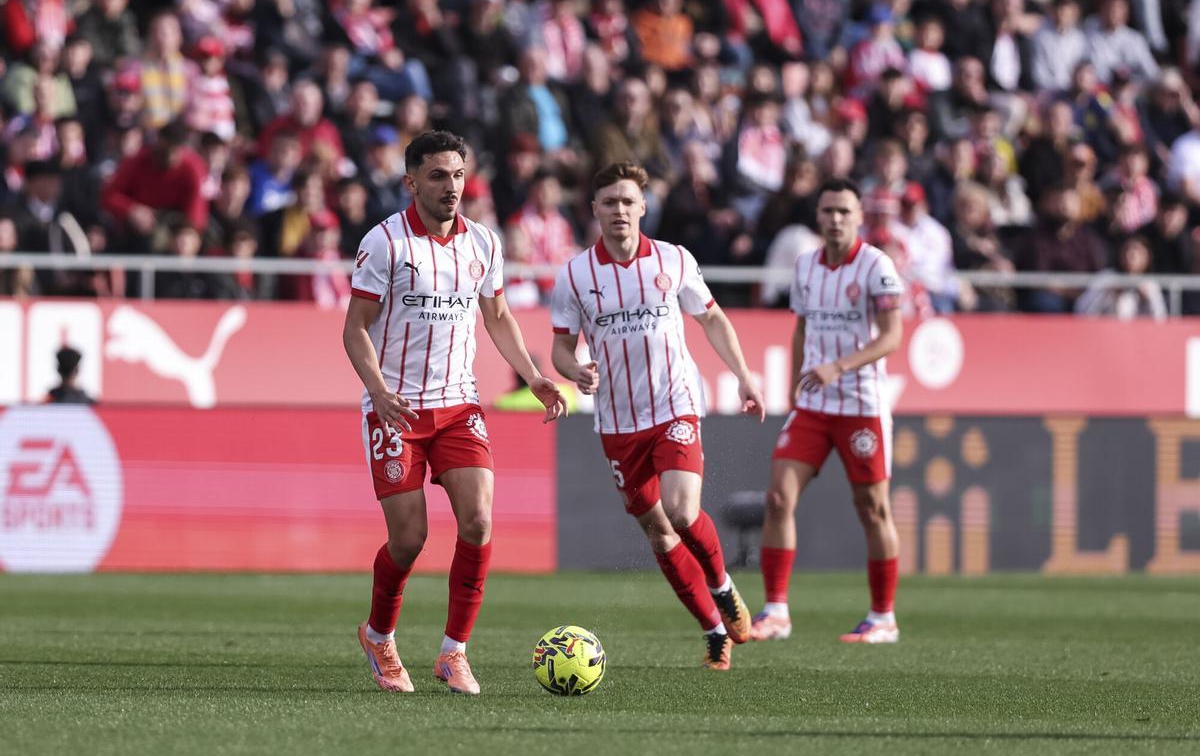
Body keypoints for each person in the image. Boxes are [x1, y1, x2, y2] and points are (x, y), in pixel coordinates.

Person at [345, 130, 567, 696]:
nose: (451, 187)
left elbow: (497, 316)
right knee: (409, 539)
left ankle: (453, 652)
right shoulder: (386, 243)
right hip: (395, 409)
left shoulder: (484, 244)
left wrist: (534, 373)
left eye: (459, 175)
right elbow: (355, 330)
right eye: (438, 175)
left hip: (457, 404)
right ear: (411, 181)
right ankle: (379, 635)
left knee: (480, 521)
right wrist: (378, 388)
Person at [549, 162, 766, 671]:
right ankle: (714, 630)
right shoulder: (576, 275)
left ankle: (724, 586)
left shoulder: (673, 259)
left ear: (643, 207)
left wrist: (743, 374)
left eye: (628, 201)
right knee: (657, 531)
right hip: (618, 423)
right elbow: (559, 348)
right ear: (595, 209)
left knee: (682, 511)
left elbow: (711, 316)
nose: (619, 210)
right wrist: (575, 370)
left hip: (675, 402)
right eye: (609, 202)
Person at [750, 178, 905, 645]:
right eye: (828, 211)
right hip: (815, 406)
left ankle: (883, 618)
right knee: (778, 498)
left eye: (844, 211)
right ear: (817, 217)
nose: (835, 219)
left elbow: (892, 335)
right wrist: (797, 387)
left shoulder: (877, 266)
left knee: (873, 508)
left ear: (859, 217)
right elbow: (800, 330)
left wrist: (839, 365)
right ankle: (776, 610)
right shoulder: (804, 267)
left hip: (861, 404)